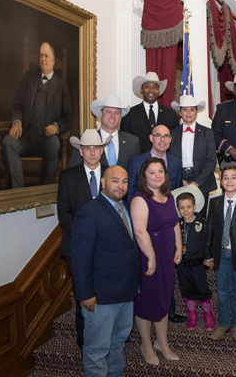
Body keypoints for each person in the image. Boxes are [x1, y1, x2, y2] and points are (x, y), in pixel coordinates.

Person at [70, 165, 142, 376]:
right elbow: (80, 258)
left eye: (125, 181)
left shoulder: (126, 207)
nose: (120, 185)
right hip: (100, 299)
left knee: (118, 344)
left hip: (125, 294)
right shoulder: (88, 213)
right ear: (103, 182)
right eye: (115, 180)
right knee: (97, 351)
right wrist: (85, 295)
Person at [57, 129, 111, 351]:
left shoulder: (113, 174)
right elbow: (64, 214)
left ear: (101, 150)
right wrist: (88, 239)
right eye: (87, 148)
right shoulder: (67, 177)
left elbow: (119, 210)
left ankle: (107, 342)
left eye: (96, 148)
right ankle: (85, 344)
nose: (92, 152)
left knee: (106, 298)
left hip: (108, 250)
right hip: (78, 249)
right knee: (84, 296)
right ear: (80, 151)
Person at [130, 157, 183, 365]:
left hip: (166, 254)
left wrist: (179, 246)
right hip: (148, 255)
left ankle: (162, 343)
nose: (157, 175)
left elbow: (174, 223)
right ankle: (146, 344)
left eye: (160, 171)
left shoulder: (168, 196)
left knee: (163, 297)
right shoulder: (139, 199)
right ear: (144, 176)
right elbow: (140, 231)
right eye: (152, 172)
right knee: (146, 301)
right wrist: (151, 256)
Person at [2, 42, 73, 188]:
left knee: (54, 143)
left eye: (46, 56)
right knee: (7, 142)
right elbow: (17, 106)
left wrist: (56, 127)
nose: (43, 59)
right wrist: (17, 122)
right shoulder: (29, 77)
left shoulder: (62, 85)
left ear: (53, 60)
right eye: (41, 55)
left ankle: (43, 190)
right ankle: (19, 192)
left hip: (46, 140)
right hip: (25, 138)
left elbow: (69, 118)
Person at [204, 166, 236, 341]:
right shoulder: (215, 202)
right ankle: (224, 324)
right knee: (222, 291)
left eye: (234, 178)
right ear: (221, 181)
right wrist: (208, 254)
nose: (229, 181)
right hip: (220, 254)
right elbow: (210, 229)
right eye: (225, 178)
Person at [173, 186, 214, 331]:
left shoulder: (202, 223)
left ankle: (208, 314)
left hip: (198, 264)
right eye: (182, 207)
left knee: (202, 289)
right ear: (178, 209)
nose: (185, 210)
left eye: (188, 207)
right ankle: (192, 315)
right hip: (182, 265)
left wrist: (210, 257)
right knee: (187, 290)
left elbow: (209, 241)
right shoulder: (176, 224)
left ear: (195, 206)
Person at [169, 95, 217, 218]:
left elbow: (211, 160)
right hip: (180, 179)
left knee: (199, 217)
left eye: (192, 109)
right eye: (185, 109)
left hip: (201, 180)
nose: (188, 113)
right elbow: (168, 159)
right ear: (180, 112)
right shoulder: (172, 133)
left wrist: (197, 182)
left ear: (196, 112)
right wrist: (180, 180)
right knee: (177, 216)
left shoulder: (207, 133)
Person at [71, 94, 141, 169]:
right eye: (108, 112)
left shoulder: (132, 142)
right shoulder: (83, 142)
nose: (112, 116)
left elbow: (136, 173)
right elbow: (75, 174)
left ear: (120, 116)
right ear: (101, 114)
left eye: (116, 113)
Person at [120, 72, 179, 153]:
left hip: (164, 162)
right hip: (138, 162)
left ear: (159, 91)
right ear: (141, 90)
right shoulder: (129, 114)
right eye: (147, 86)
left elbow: (175, 142)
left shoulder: (171, 114)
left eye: (155, 87)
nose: (151, 90)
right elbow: (125, 142)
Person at [127, 125, 182, 199]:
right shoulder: (136, 163)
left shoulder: (176, 163)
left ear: (170, 139)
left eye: (166, 136)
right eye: (158, 136)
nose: (162, 139)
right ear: (151, 138)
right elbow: (131, 194)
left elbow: (178, 193)